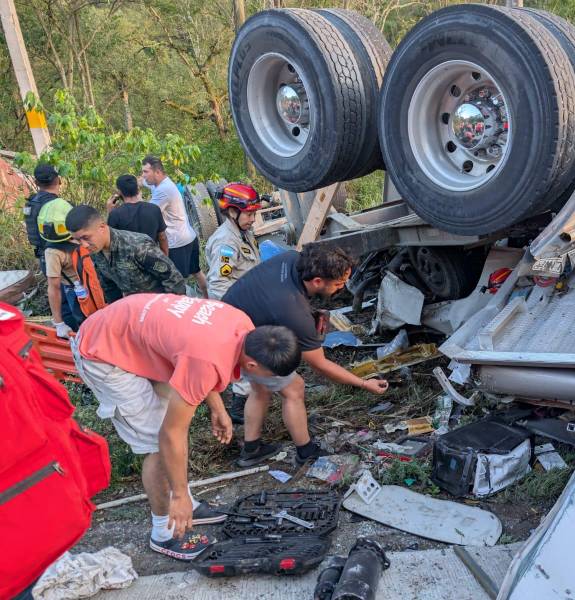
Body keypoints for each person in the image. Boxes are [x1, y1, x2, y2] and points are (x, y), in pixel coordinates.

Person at [70, 293, 301, 559]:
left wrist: (218, 407)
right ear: (251, 364)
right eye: (269, 376)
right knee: (159, 445)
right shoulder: (207, 359)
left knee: (174, 422)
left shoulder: (243, 325)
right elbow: (172, 432)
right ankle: (164, 532)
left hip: (130, 331)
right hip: (103, 353)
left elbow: (199, 358)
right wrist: (178, 495)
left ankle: (186, 503)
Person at [222, 245, 389, 467]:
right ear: (318, 281)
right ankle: (305, 452)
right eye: (338, 284)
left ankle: (252, 450)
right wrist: (364, 383)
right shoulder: (293, 312)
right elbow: (320, 365)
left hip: (227, 320)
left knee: (260, 387)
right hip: (237, 342)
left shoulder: (293, 258)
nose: (342, 288)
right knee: (294, 387)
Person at [65, 205, 185, 300]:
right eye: (78, 240)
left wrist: (169, 311)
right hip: (134, 308)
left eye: (86, 237)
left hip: (160, 305)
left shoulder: (137, 246)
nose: (84, 245)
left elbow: (173, 279)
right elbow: (109, 286)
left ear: (102, 227)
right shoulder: (95, 251)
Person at [140, 156, 208, 297]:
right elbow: (143, 181)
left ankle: (184, 308)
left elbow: (148, 213)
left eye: (146, 172)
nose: (143, 175)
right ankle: (208, 299)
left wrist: (137, 199)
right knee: (197, 272)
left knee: (175, 283)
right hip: (189, 237)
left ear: (157, 172)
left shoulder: (163, 190)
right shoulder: (161, 183)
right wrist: (135, 182)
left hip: (177, 244)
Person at [23, 163, 77, 330]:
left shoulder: (31, 203)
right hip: (63, 257)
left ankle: (64, 329)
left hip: (43, 256)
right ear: (58, 180)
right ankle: (76, 331)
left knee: (57, 294)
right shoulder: (59, 206)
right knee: (72, 295)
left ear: (36, 182)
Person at [205, 183, 260, 301]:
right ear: (232, 212)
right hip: (243, 302)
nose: (253, 219)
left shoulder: (243, 231)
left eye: (254, 213)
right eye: (249, 214)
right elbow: (218, 286)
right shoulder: (226, 242)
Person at [37, 197, 84, 337]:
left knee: (83, 323)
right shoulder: (83, 237)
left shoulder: (53, 252)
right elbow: (54, 287)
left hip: (78, 288)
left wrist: (59, 323)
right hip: (85, 287)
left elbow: (54, 287)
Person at [107, 174, 169, 254]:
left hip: (128, 259)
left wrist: (110, 212)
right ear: (137, 189)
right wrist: (164, 256)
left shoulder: (115, 214)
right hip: (151, 257)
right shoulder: (154, 209)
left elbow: (110, 242)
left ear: (119, 192)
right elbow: (162, 237)